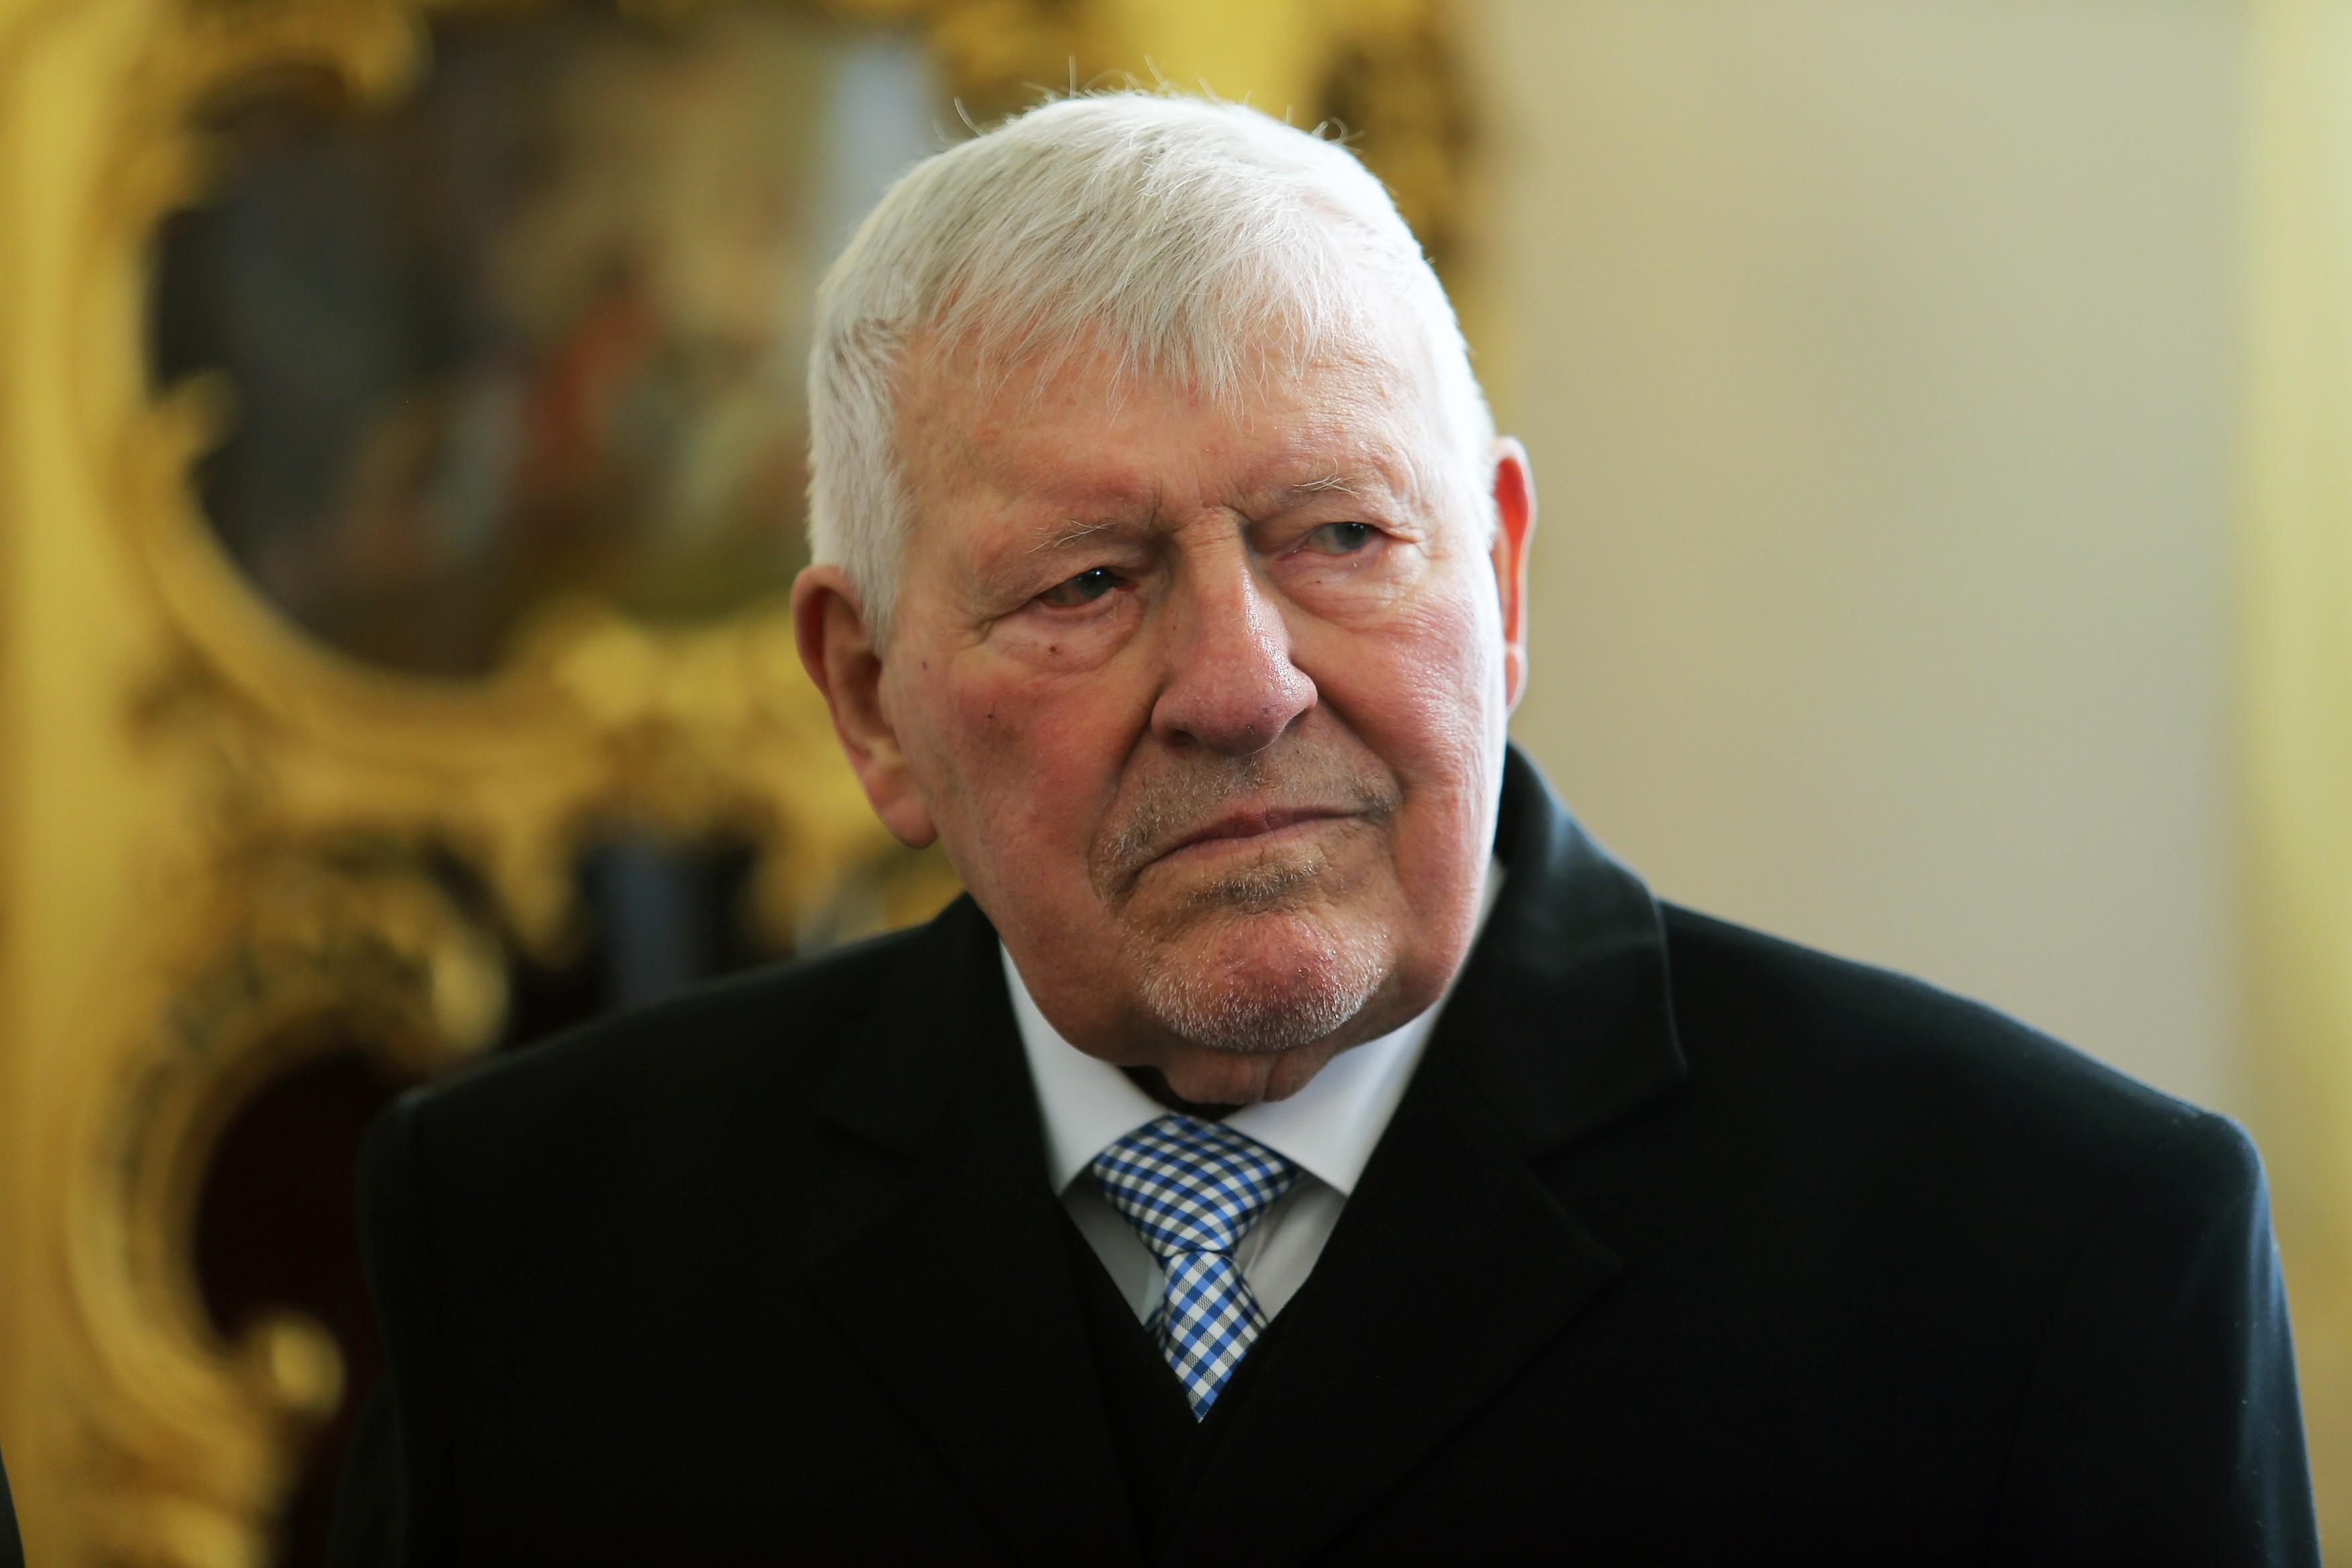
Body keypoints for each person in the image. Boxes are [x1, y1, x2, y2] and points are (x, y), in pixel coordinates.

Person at [329, 93, 2319, 1565]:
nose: (1241, 682)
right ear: (868, 697)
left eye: (1342, 535)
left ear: (1503, 582)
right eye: (1086, 582)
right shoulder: (528, 1250)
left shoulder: (2054, 1257)